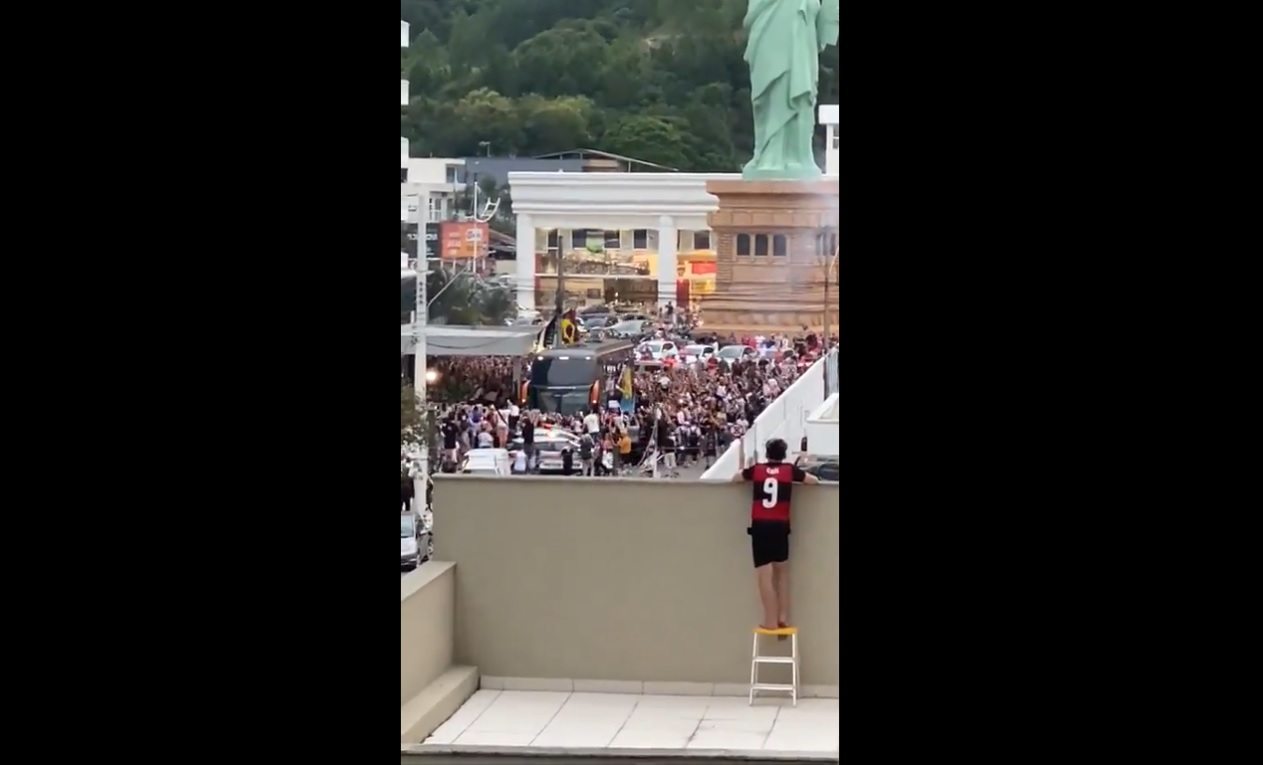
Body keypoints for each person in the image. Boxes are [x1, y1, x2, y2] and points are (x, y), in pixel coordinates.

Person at [733, 438, 818, 633]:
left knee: (765, 575)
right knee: (782, 572)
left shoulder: (757, 470)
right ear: (784, 454)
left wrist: (742, 463)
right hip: (781, 526)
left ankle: (769, 620)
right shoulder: (789, 470)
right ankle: (783, 617)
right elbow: (813, 481)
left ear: (767, 453)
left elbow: (735, 478)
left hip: (761, 526)